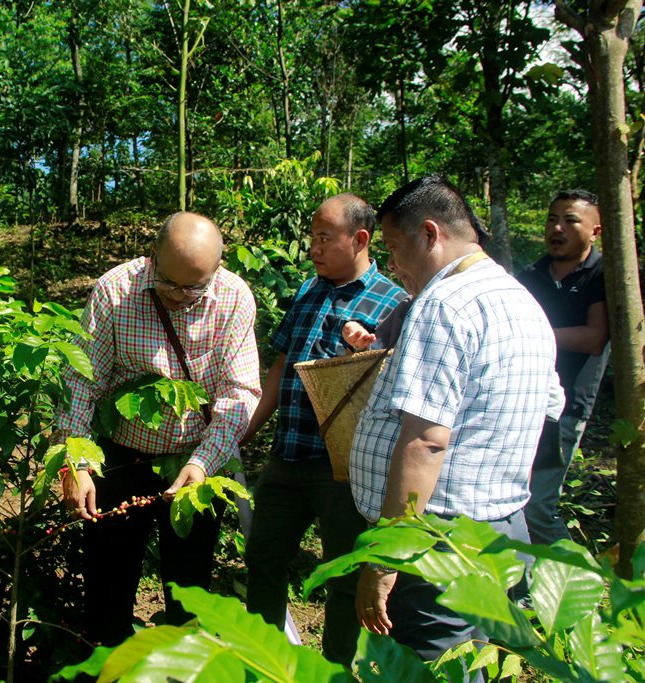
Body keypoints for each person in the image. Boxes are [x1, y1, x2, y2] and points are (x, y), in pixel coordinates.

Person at [350, 176, 556, 662]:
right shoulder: (521, 300)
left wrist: (385, 559)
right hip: (500, 528)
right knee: (472, 661)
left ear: (430, 234)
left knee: (436, 668)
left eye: (396, 248)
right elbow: (550, 404)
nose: (393, 265)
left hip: (436, 542)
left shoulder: (443, 304)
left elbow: (425, 442)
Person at [57, 211, 261, 646]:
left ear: (217, 271)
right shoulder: (116, 291)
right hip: (120, 458)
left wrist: (205, 462)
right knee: (107, 584)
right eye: (169, 283)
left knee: (189, 587)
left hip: (197, 458)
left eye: (195, 287)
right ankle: (108, 667)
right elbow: (81, 379)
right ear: (152, 255)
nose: (180, 296)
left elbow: (240, 391)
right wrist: (74, 462)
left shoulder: (235, 297)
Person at [242, 193, 406, 664]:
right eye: (312, 236)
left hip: (344, 469)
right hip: (286, 457)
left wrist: (366, 350)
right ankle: (267, 660)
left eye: (323, 237)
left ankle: (337, 668)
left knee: (343, 577)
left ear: (360, 240)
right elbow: (282, 365)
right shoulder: (308, 290)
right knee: (263, 561)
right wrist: (250, 426)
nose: (313, 247)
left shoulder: (394, 301)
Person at [516, 190, 609, 545]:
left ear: (596, 231)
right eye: (552, 219)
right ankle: (522, 593)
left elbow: (593, 338)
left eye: (570, 220)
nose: (557, 228)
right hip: (524, 403)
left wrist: (536, 333)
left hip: (566, 409)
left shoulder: (600, 275)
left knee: (537, 506)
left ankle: (575, 587)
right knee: (512, 502)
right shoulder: (532, 274)